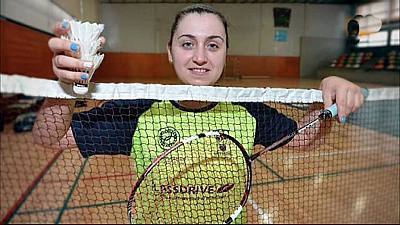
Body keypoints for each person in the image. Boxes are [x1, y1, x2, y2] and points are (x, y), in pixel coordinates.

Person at [33, 4, 365, 223]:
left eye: (213, 44)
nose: (200, 57)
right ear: (170, 51)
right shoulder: (137, 112)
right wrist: (62, 88)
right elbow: (51, 137)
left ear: (225, 52)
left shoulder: (245, 111)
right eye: (187, 43)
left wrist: (328, 100)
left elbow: (302, 139)